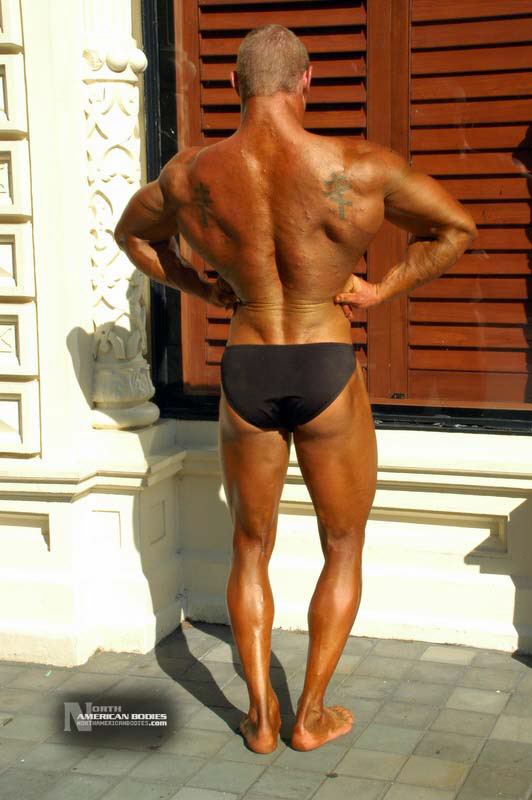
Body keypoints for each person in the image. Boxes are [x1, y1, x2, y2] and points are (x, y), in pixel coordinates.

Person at [115, 24, 477, 754]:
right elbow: (455, 228)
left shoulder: (190, 174)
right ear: (306, 80)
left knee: (250, 545)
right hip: (325, 364)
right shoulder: (360, 165)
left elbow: (132, 235)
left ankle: (259, 719)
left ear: (234, 86)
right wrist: (378, 291)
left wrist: (200, 287)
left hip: (247, 363)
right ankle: (309, 715)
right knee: (342, 543)